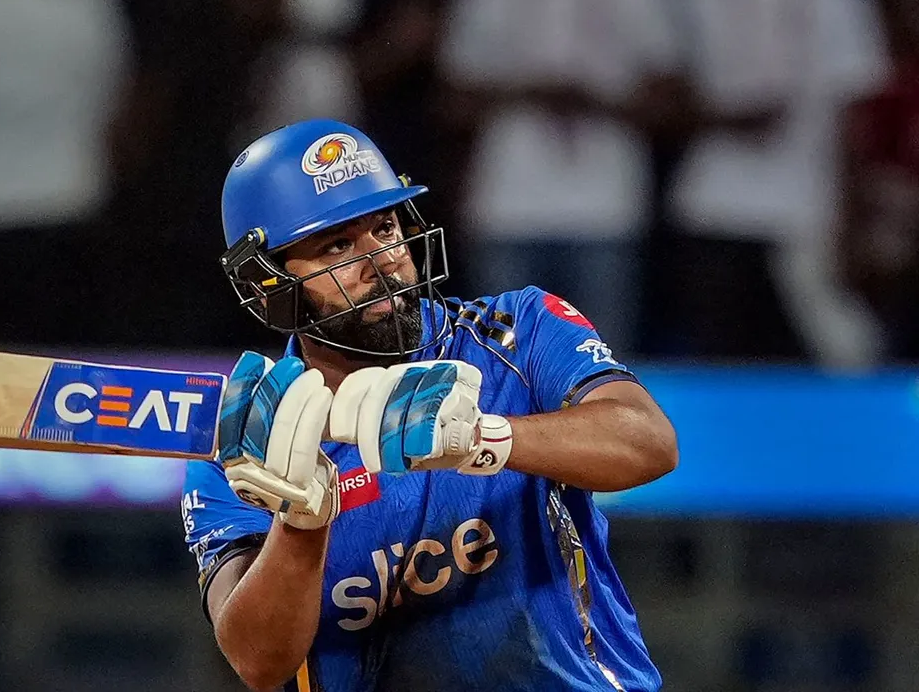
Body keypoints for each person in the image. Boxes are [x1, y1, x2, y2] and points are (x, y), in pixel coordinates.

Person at [181, 119, 679, 691]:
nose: (382, 259)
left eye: (386, 227)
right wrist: (301, 520)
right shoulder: (244, 442)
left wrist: (486, 439)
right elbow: (258, 661)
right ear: (269, 284)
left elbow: (649, 441)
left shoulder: (515, 330)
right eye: (338, 245)